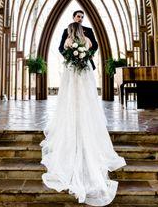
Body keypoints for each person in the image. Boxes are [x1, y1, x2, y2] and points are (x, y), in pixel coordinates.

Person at [40, 19, 126, 206]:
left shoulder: (68, 42)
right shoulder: (87, 41)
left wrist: (73, 55)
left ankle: (74, 114)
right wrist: (82, 55)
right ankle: (83, 114)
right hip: (84, 71)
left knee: (70, 96)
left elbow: (63, 52)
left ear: (71, 30)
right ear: (81, 30)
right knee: (87, 97)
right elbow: (91, 50)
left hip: (72, 71)